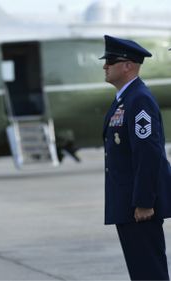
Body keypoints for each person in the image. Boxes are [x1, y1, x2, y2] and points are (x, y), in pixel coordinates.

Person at [101, 35, 171, 280]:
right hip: (128, 203)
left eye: (110, 60)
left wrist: (144, 201)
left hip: (140, 206)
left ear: (128, 65)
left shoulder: (139, 99)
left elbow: (148, 153)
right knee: (141, 272)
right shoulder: (125, 99)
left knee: (149, 272)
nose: (104, 66)